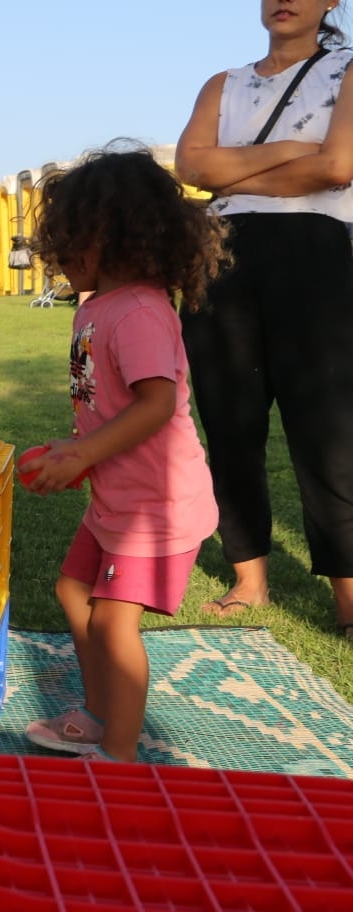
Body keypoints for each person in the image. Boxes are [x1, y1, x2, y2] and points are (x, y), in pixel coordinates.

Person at [19, 147, 227, 762]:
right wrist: (74, 449)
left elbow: (156, 404)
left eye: (68, 240)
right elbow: (106, 403)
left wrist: (82, 454)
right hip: (117, 495)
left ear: (107, 237)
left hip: (156, 506)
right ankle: (98, 711)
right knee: (71, 591)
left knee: (113, 621)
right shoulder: (98, 307)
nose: (59, 255)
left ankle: (120, 754)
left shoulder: (139, 310)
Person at [175, 0, 353, 641]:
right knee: (230, 425)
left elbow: (338, 168)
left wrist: (239, 169)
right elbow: (191, 169)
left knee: (327, 429)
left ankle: (349, 594)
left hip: (315, 256)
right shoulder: (223, 85)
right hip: (221, 258)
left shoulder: (348, 69)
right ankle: (249, 577)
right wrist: (288, 151)